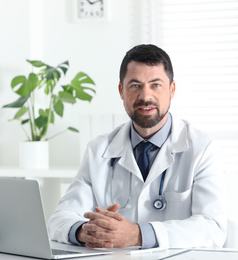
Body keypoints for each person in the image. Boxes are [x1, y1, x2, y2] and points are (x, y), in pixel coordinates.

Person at [48, 44, 227, 249]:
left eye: (155, 85)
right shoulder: (98, 149)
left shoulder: (202, 149)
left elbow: (212, 229)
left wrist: (138, 234)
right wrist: (84, 231)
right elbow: (60, 218)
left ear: (172, 90)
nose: (145, 96)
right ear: (121, 91)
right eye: (135, 85)